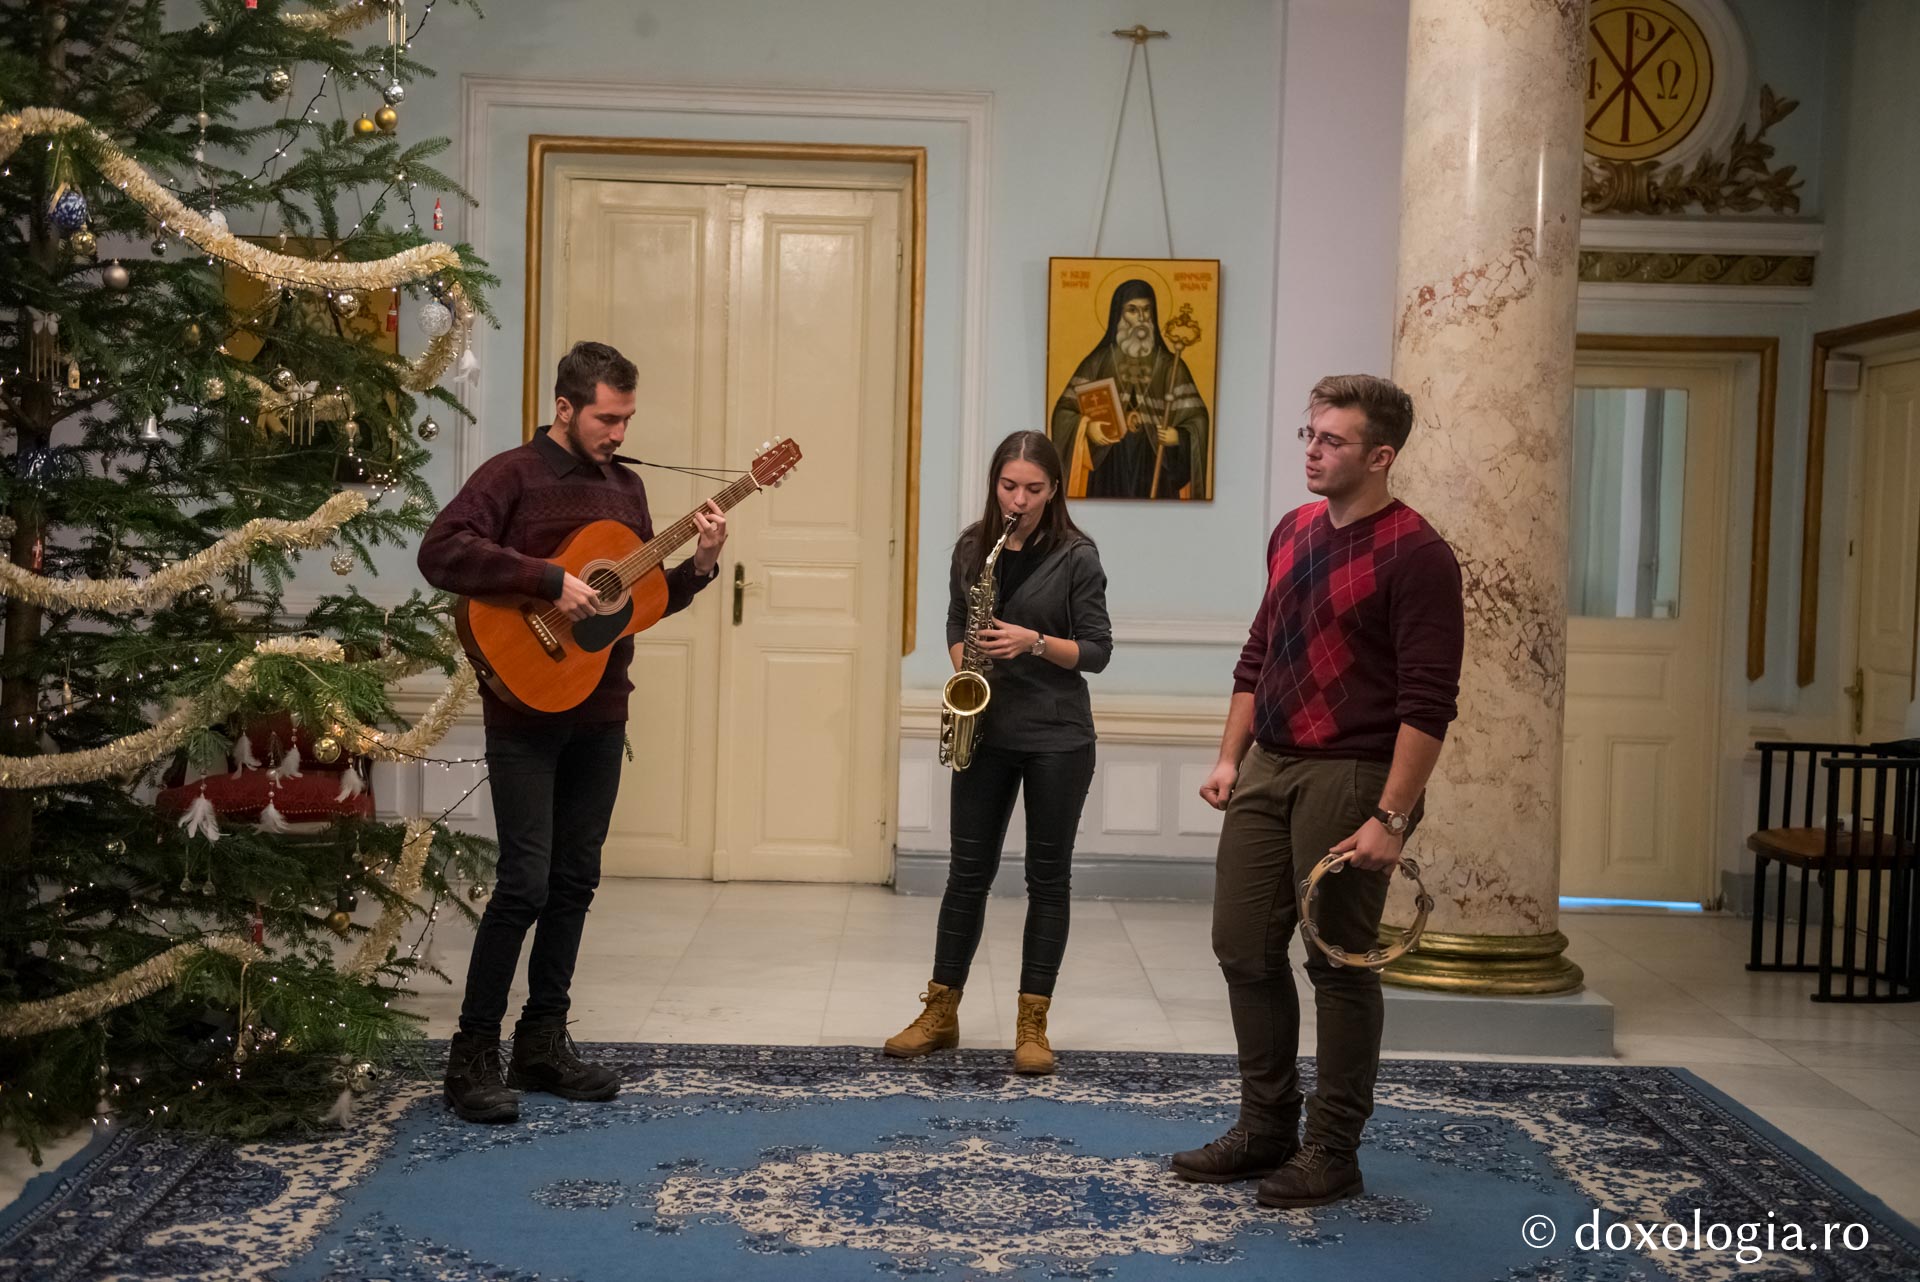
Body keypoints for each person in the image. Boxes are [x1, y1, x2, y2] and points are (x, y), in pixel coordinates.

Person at [1171, 375, 1463, 1207]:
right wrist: (1229, 758)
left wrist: (1391, 817)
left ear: (1380, 456)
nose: (1312, 450)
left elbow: (1429, 703)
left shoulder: (1418, 553)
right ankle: (1266, 1129)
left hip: (1355, 771)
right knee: (1240, 946)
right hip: (1269, 762)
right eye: (1310, 434)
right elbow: (1258, 654)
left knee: (1336, 961)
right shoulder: (1293, 531)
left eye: (1332, 440)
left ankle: (1333, 1149)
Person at [418, 341, 727, 1123]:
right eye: (606, 419)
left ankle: (542, 1043)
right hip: (523, 714)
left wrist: (701, 565)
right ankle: (471, 1055)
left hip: (600, 709)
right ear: (564, 408)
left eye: (626, 420)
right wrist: (548, 578)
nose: (618, 434)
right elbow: (441, 552)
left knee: (575, 880)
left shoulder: (627, 490)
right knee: (524, 881)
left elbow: (636, 602)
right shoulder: (511, 477)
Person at [885, 431, 1113, 1074]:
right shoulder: (972, 547)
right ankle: (940, 1012)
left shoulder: (1077, 556)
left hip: (1057, 736)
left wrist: (1034, 641)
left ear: (1054, 489)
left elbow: (1098, 650)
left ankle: (1032, 1025)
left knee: (1048, 880)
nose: (1019, 500)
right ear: (995, 484)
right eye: (1009, 486)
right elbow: (956, 619)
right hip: (985, 728)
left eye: (1033, 489)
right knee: (966, 875)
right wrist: (968, 667)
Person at [1049, 279, 1209, 499]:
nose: (1141, 318)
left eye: (1146, 310)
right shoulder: (1098, 362)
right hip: (1108, 466)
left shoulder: (1171, 366)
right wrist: (1086, 427)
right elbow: (1063, 412)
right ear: (1119, 315)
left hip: (1156, 466)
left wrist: (1180, 436)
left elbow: (1198, 419)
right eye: (1132, 310)